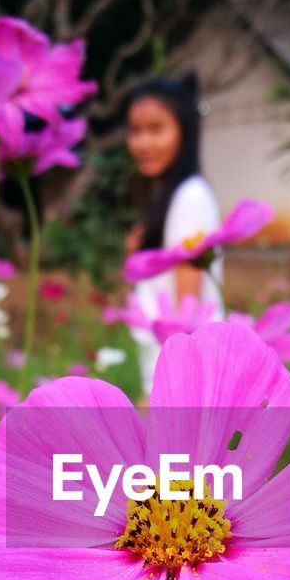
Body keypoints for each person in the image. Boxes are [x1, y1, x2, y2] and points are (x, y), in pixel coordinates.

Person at [124, 76, 224, 394]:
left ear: (185, 131)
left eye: (156, 129)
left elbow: (188, 295)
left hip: (176, 354)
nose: (142, 143)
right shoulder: (168, 194)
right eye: (135, 131)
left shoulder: (190, 196)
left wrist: (176, 385)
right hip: (163, 347)